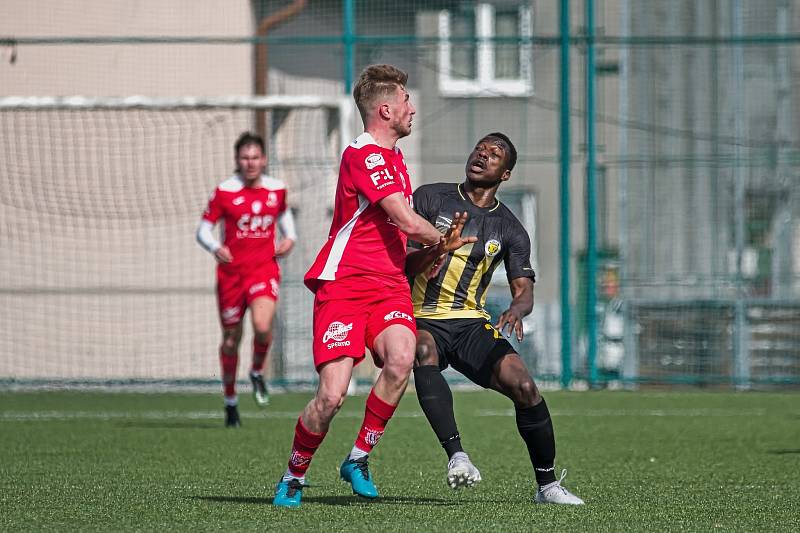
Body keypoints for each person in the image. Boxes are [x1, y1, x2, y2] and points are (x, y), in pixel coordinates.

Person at [272, 64, 474, 508]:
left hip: (388, 285)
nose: (412, 109)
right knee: (331, 395)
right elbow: (404, 219)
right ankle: (294, 475)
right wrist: (442, 238)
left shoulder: (398, 161)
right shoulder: (363, 154)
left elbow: (400, 238)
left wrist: (435, 254)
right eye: (405, 101)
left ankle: (358, 458)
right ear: (385, 109)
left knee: (403, 360)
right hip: (344, 286)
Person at [406, 132, 584, 505]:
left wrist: (517, 310)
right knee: (423, 350)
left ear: (505, 174)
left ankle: (548, 485)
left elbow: (524, 290)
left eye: (494, 154)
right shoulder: (429, 197)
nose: (482, 156)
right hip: (421, 316)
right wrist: (439, 247)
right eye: (480, 149)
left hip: (471, 322)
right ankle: (458, 457)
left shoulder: (509, 228)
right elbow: (403, 264)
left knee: (525, 387)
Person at [196, 132, 296, 427]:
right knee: (230, 340)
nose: (250, 163)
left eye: (255, 157)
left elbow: (288, 226)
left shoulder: (276, 190)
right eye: (245, 158)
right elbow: (203, 230)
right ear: (237, 160)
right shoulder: (225, 191)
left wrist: (289, 240)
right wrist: (216, 247)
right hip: (230, 275)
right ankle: (230, 401)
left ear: (264, 160)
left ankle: (255, 370)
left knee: (263, 326)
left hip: (263, 269)